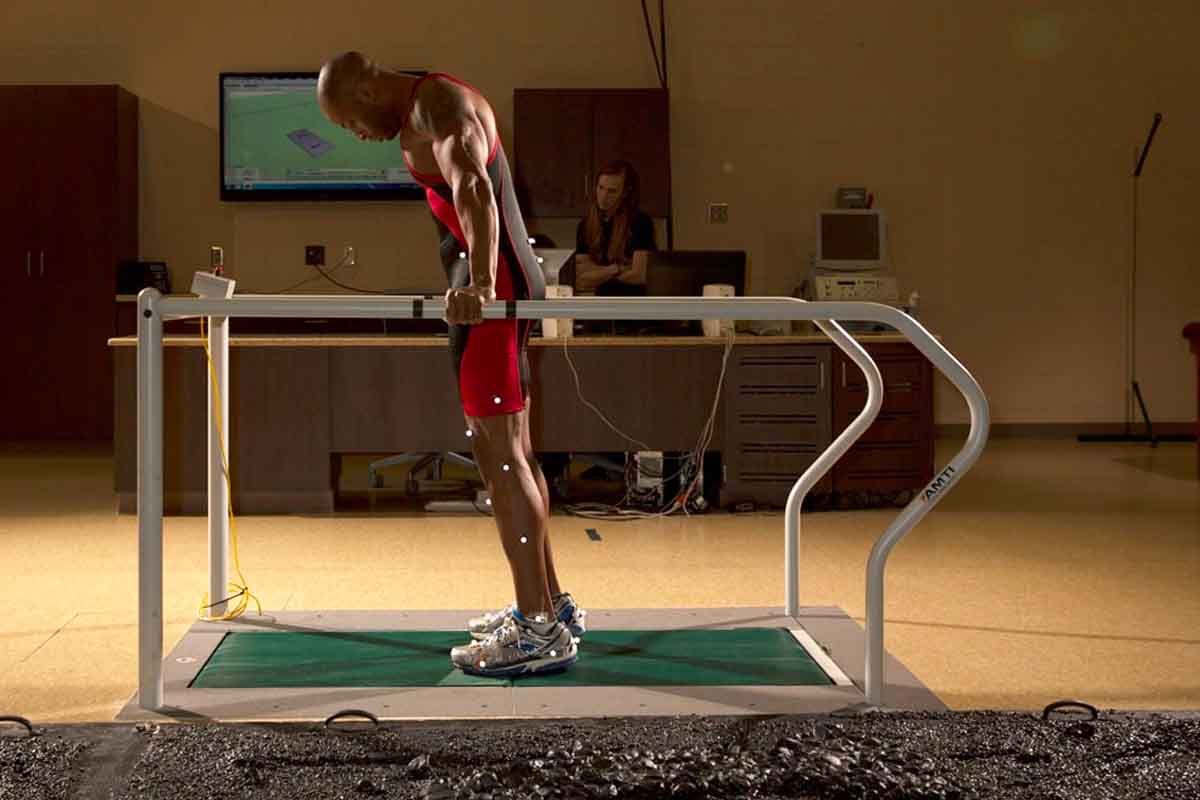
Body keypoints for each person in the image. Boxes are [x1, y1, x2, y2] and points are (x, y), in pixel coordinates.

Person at [316, 52, 585, 678]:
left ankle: (537, 628)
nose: (354, 135)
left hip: (494, 291)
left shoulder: (437, 104)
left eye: (348, 120)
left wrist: (484, 284)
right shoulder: (421, 107)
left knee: (500, 458)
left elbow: (473, 187)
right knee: (513, 453)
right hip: (494, 287)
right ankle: (549, 607)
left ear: (366, 87)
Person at [574, 161, 657, 299]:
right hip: (601, 307)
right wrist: (617, 268)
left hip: (634, 306)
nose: (603, 196)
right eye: (600, 188)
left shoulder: (639, 222)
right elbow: (582, 279)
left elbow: (639, 275)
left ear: (625, 193)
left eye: (612, 191)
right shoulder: (585, 225)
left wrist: (598, 273)